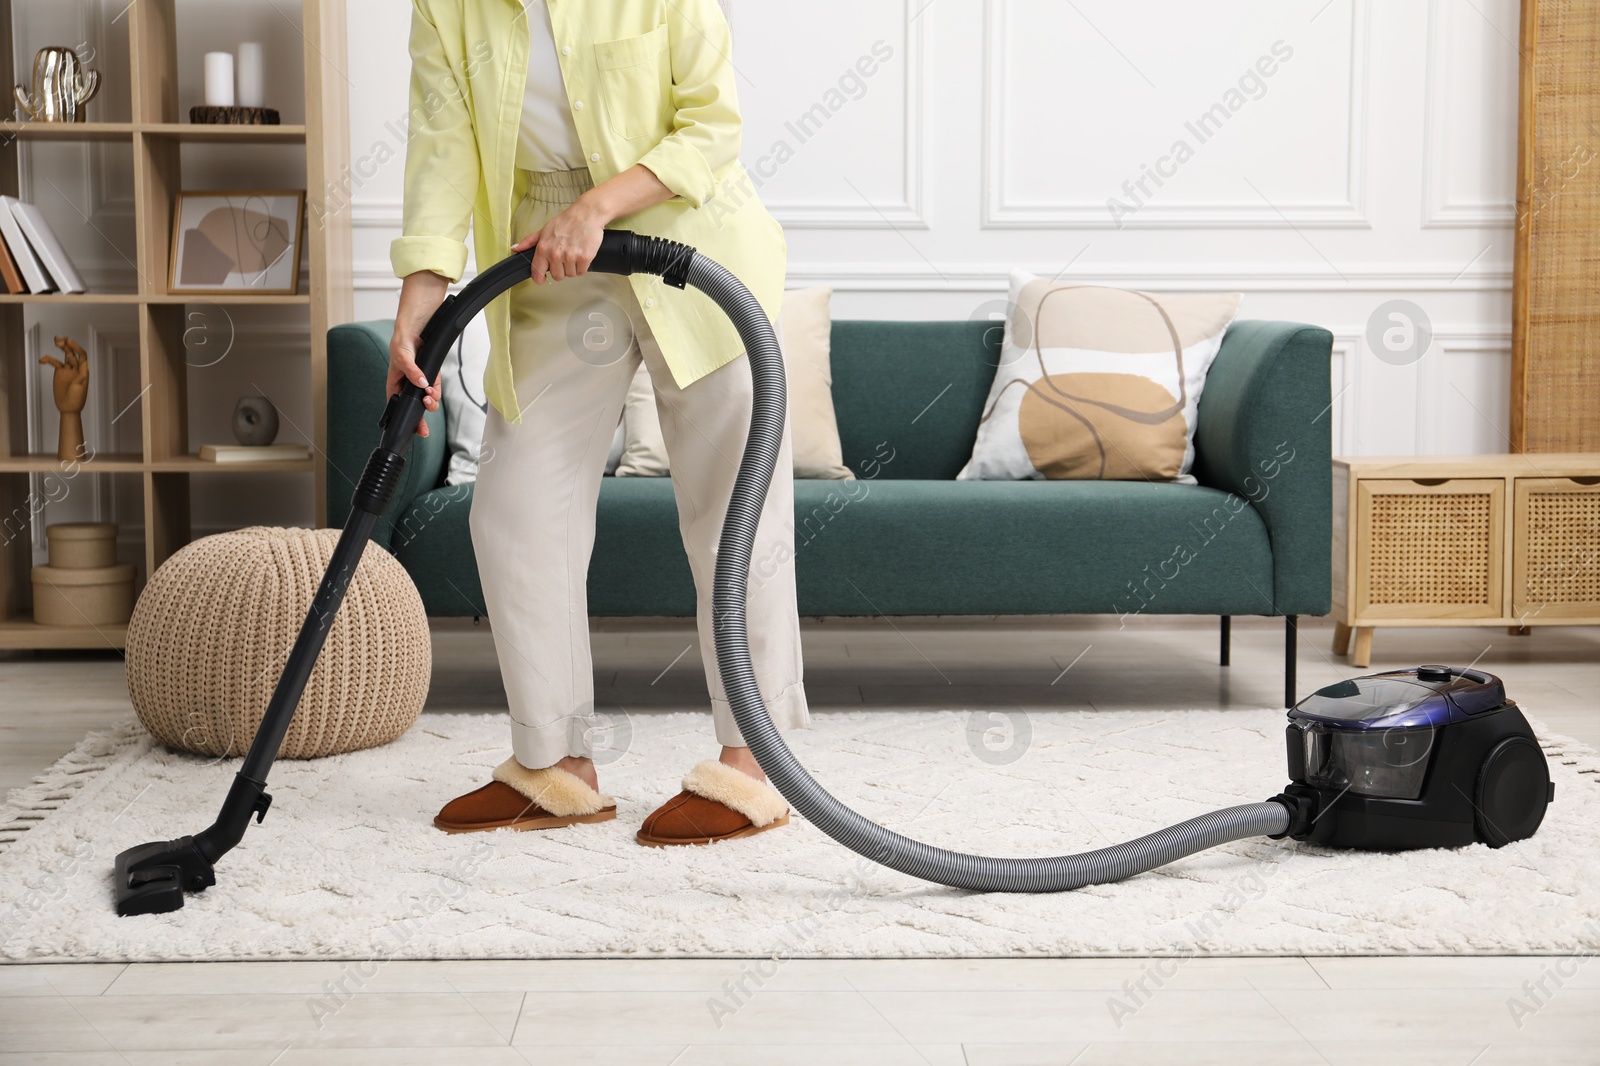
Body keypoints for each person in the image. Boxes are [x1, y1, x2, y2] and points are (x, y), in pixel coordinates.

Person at [388, 0, 807, 846]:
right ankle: (555, 766)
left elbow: (709, 123)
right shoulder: (447, 7)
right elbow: (441, 147)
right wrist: (420, 298)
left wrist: (601, 205)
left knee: (736, 514)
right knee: (515, 509)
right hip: (549, 256)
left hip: (691, 240)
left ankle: (750, 766)